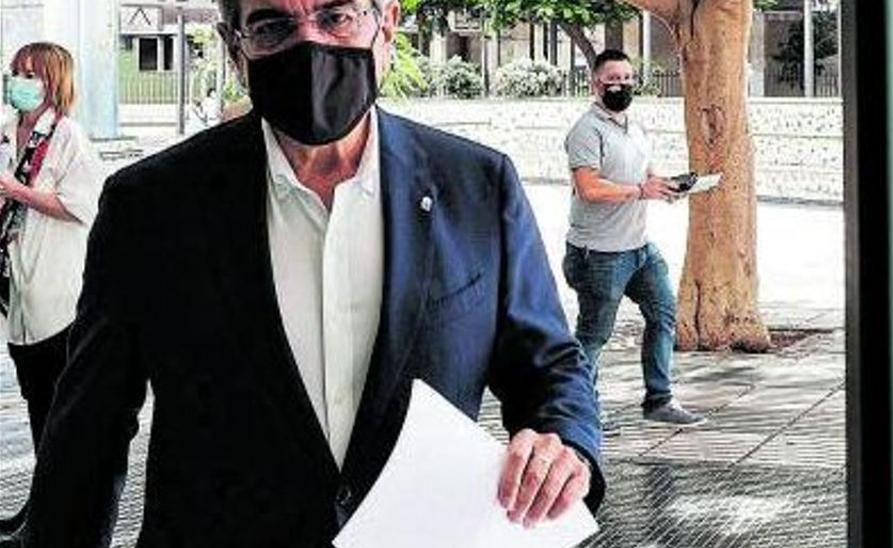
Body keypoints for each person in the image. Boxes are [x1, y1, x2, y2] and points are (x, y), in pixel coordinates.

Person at [13, 1, 602, 546]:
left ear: (387, 22)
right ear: (235, 47)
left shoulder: (477, 187)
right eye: (274, 28)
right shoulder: (150, 206)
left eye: (336, 16)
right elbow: (87, 433)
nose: (311, 46)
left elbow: (549, 367)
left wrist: (566, 444)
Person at [561, 49, 705, 427]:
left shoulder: (637, 128)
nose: (621, 85)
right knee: (593, 336)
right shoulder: (585, 131)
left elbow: (646, 176)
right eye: (613, 79)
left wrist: (667, 187)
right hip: (599, 253)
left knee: (663, 315)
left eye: (627, 78)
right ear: (595, 83)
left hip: (639, 248)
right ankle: (580, 411)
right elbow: (589, 187)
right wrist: (642, 190)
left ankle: (659, 400)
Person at [0, 42, 104, 541]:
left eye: (30, 73)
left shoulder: (68, 137)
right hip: (17, 293)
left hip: (56, 296)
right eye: (15, 72)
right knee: (36, 404)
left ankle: (54, 519)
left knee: (58, 414)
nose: (19, 81)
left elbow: (82, 205)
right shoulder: (8, 131)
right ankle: (41, 507)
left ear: (53, 80)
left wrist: (15, 190)